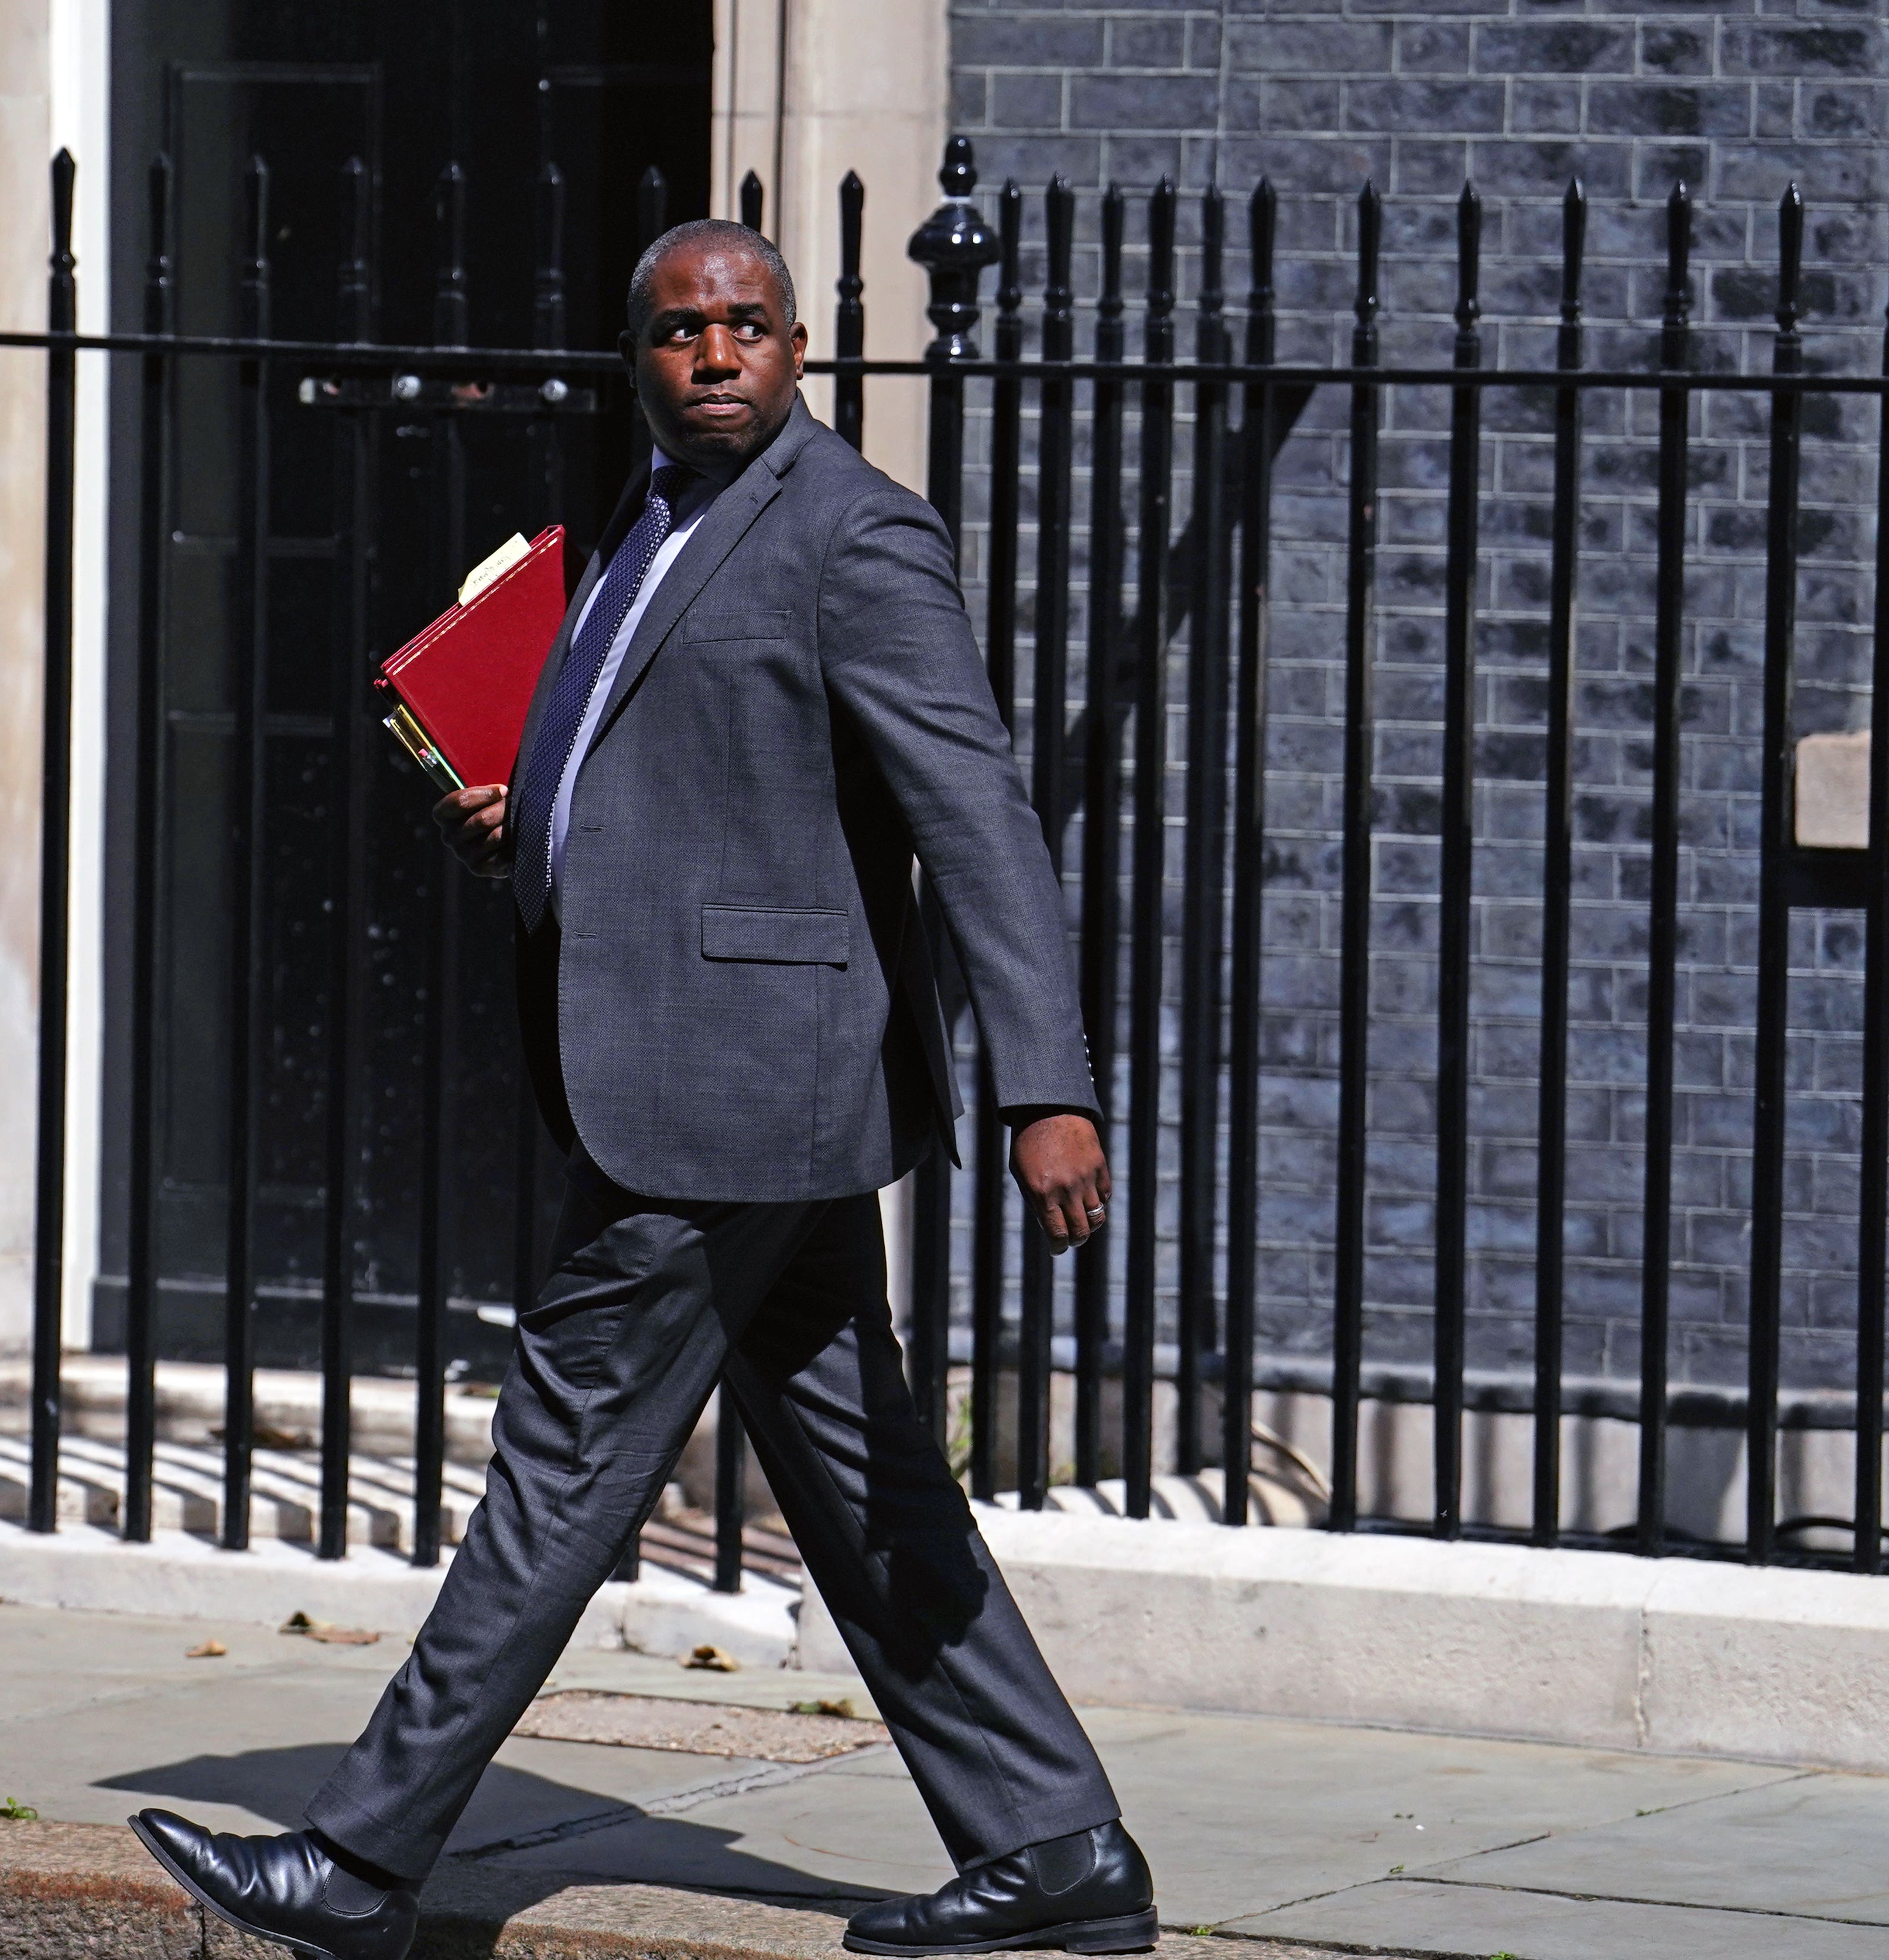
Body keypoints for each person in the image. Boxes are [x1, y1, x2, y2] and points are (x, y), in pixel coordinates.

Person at [131, 218, 1155, 1960]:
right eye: (681, 331)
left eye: (746, 325)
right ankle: (1055, 1843)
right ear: (641, 358)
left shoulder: (856, 533)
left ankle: (362, 1863)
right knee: (863, 1476)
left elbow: (975, 809)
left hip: (738, 1088)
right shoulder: (634, 517)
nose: (716, 355)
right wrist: (525, 813)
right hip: (729, 1085)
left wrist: (1042, 1084)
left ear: (795, 350)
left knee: (559, 1462)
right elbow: (657, 766)